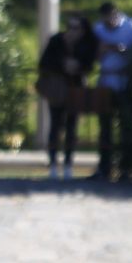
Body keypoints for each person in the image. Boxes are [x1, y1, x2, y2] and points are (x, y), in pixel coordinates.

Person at [89, 1, 132, 182]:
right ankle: (104, 168)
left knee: (127, 126)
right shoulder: (98, 30)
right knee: (105, 127)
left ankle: (127, 168)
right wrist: (102, 50)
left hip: (125, 81)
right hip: (106, 81)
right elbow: (92, 55)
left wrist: (123, 51)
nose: (109, 21)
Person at [37, 13, 97, 180]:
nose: (71, 30)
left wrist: (78, 66)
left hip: (75, 89)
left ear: (83, 30)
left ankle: (68, 163)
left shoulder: (86, 44)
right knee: (55, 125)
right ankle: (53, 163)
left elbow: (90, 64)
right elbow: (44, 63)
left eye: (76, 28)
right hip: (57, 89)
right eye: (69, 26)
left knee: (72, 127)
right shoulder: (56, 40)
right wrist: (63, 64)